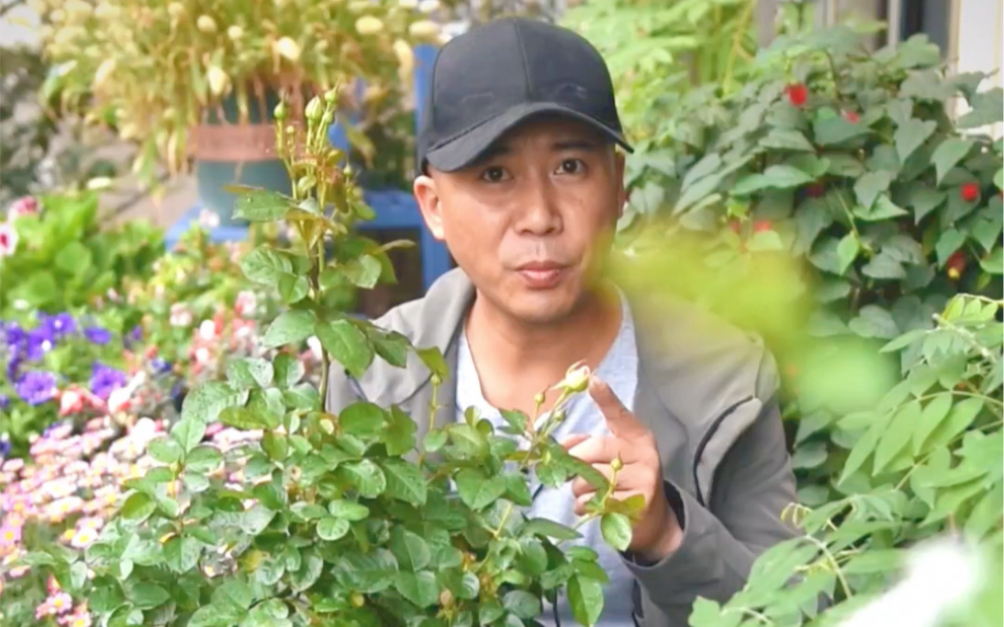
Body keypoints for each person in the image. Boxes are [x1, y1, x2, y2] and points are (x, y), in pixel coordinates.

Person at [325, 16, 798, 627]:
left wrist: (666, 534)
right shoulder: (375, 373)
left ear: (619, 187)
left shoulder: (724, 380)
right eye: (495, 175)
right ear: (433, 206)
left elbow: (794, 609)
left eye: (570, 167)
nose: (540, 216)